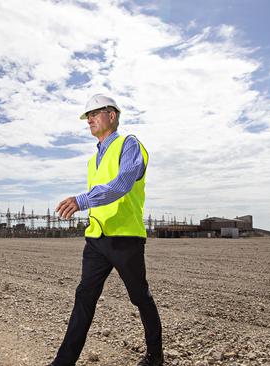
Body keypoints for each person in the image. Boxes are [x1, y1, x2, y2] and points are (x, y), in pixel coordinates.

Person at [50, 94, 163, 366]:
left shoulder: (129, 144)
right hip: (97, 239)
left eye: (94, 113)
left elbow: (123, 183)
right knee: (83, 298)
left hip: (125, 238)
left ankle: (156, 356)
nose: (89, 119)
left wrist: (82, 200)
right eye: (86, 116)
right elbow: (100, 193)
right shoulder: (93, 160)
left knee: (139, 297)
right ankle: (62, 363)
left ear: (111, 116)